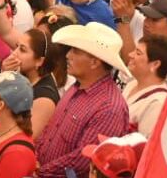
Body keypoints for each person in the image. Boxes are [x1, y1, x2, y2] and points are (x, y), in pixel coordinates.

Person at [36, 23, 130, 177]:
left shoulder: (109, 108)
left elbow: (84, 160)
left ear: (95, 62)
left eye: (76, 51)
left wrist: (40, 171)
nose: (68, 55)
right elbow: (51, 129)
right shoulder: (77, 87)